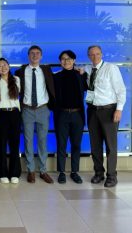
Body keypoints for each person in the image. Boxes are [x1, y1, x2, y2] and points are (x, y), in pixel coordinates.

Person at [85, 45, 126, 187]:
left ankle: (112, 176)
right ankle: (98, 173)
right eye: (91, 54)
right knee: (95, 145)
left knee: (110, 145)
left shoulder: (111, 68)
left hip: (108, 111)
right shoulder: (87, 69)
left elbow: (121, 90)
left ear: (101, 54)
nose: (95, 56)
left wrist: (119, 110)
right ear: (88, 56)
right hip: (92, 111)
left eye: (97, 54)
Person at [15, 45, 55, 184]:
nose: (35, 55)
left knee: (43, 141)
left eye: (38, 53)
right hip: (27, 110)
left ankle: (43, 171)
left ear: (41, 56)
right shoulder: (20, 72)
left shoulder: (46, 70)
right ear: (28, 55)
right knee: (28, 140)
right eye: (32, 53)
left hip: (43, 109)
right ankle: (31, 170)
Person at [53, 50, 87, 184]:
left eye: (68, 59)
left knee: (76, 144)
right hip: (62, 114)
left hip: (77, 114)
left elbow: (91, 84)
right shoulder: (56, 77)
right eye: (62, 59)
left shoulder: (81, 75)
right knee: (61, 144)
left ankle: (74, 172)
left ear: (73, 60)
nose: (65, 61)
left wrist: (84, 71)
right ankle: (61, 172)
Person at [0, 58, 21, 184]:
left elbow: (18, 95)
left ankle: (14, 173)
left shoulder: (17, 80)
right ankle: (2, 173)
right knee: (1, 145)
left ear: (9, 66)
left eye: (4, 65)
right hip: (1, 114)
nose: (2, 67)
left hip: (14, 113)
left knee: (15, 145)